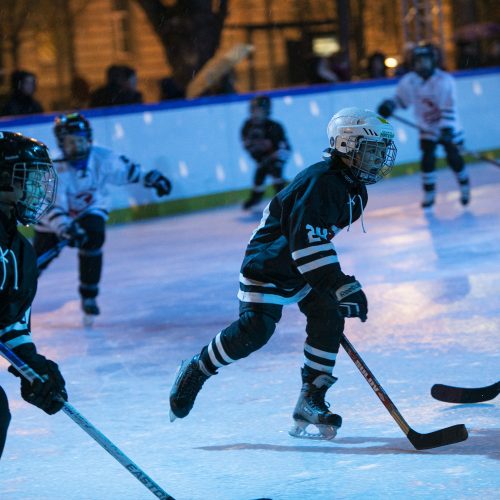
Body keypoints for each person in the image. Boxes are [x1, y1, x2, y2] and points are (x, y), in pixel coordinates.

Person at [169, 107, 397, 440]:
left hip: (301, 265)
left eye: (380, 152)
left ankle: (311, 398)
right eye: (371, 150)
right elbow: (305, 244)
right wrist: (338, 283)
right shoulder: (322, 182)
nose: (378, 159)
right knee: (255, 330)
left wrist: (333, 288)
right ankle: (196, 368)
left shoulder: (354, 192)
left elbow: (314, 243)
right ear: (347, 145)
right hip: (270, 263)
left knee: (328, 314)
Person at [32, 113, 172, 323]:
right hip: (52, 224)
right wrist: (65, 228)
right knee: (32, 264)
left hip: (90, 211)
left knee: (94, 236)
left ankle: (89, 295)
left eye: (81, 140)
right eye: (71, 142)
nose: (77, 147)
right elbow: (51, 206)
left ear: (89, 139)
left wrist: (151, 178)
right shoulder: (51, 167)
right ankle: (11, 296)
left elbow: (127, 170)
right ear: (61, 143)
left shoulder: (102, 157)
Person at [0, 131, 67, 458]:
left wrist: (33, 366)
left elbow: (10, 324)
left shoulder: (20, 252)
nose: (38, 190)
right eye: (28, 178)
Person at [377, 43, 470, 209]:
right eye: (419, 61)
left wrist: (447, 130)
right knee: (428, 158)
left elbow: (448, 107)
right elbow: (401, 100)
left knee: (453, 157)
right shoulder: (410, 81)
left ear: (433, 61)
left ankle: (464, 186)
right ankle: (429, 192)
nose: (422, 65)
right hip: (426, 127)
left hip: (448, 126)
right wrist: (390, 105)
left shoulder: (444, 81)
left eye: (425, 61)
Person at [240, 95, 291, 210]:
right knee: (260, 173)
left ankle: (285, 198)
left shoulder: (275, 127)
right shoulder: (247, 126)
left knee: (275, 171)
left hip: (279, 154)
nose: (255, 114)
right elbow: (246, 144)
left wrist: (276, 156)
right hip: (262, 156)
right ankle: (256, 197)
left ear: (266, 111)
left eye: (259, 111)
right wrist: (258, 156)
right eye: (253, 110)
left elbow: (285, 148)